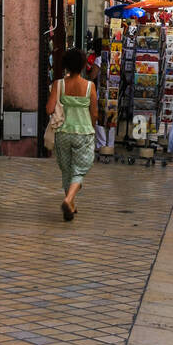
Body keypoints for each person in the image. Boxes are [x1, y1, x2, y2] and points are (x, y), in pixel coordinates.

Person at [46, 48, 98, 220]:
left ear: (66, 65)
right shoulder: (90, 86)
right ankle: (68, 200)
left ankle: (71, 203)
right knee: (80, 169)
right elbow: (95, 113)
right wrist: (92, 127)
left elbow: (49, 109)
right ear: (84, 65)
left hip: (62, 133)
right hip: (83, 133)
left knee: (67, 170)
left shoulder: (58, 85)